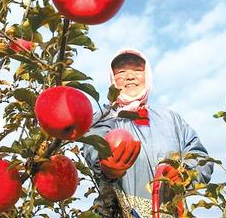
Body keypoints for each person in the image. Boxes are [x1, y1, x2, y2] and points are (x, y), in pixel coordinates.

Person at [83, 48, 213, 218]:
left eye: (138, 70)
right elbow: (94, 145)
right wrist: (105, 162)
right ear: (112, 79)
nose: (130, 76)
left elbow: (200, 156)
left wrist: (185, 174)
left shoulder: (171, 120)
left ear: (147, 76)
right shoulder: (104, 119)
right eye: (121, 72)